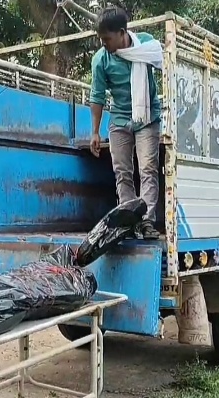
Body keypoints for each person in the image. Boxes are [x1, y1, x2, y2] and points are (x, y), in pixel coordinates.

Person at [89, 6, 163, 240]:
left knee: (148, 169)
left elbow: (165, 63)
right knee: (123, 172)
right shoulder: (101, 60)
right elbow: (97, 96)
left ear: (122, 33)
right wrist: (95, 132)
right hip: (119, 118)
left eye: (107, 39)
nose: (104, 44)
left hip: (147, 118)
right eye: (101, 39)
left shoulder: (146, 45)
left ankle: (147, 222)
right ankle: (130, 221)